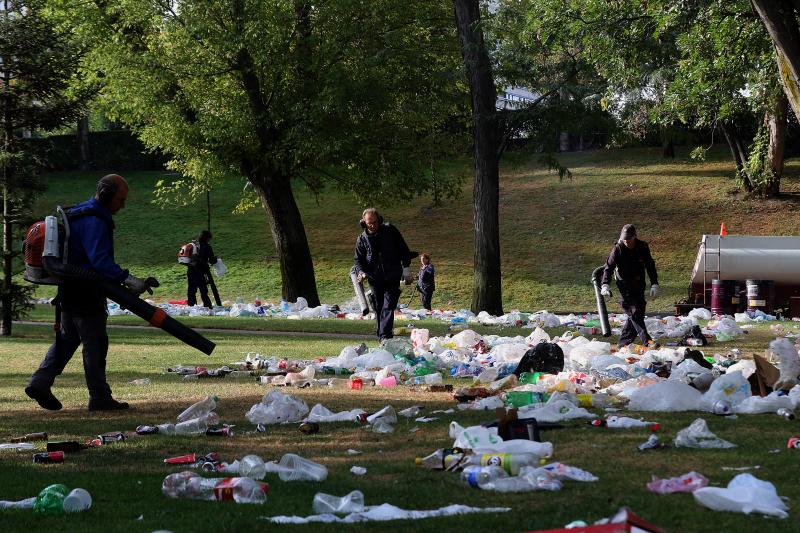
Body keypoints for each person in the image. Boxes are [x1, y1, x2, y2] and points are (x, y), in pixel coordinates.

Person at [25, 174, 153, 411]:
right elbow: (100, 262)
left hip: (69, 288)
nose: (122, 205)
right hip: (86, 291)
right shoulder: (96, 220)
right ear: (106, 195)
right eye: (120, 200)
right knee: (95, 343)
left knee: (67, 339)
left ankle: (40, 381)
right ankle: (99, 397)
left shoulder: (79, 212)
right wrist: (129, 279)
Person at [353, 208, 413, 341]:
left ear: (379, 220)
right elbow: (358, 260)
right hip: (375, 278)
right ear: (364, 223)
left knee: (389, 305)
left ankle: (385, 336)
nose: (373, 225)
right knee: (379, 307)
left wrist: (406, 268)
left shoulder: (390, 230)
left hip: (393, 275)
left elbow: (403, 248)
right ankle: (383, 336)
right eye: (370, 223)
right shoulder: (361, 239)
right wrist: (361, 272)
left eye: (375, 222)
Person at [600, 224, 660, 349]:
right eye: (624, 239)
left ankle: (623, 343)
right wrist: (605, 284)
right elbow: (608, 267)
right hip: (624, 285)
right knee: (634, 311)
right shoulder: (618, 248)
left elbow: (650, 265)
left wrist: (654, 283)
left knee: (638, 313)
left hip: (639, 284)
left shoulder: (642, 247)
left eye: (629, 239)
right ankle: (647, 341)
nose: (626, 241)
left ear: (634, 237)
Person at [187, 230, 217, 308]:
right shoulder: (207, 247)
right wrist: (216, 259)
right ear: (207, 238)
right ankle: (207, 306)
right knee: (203, 290)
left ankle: (192, 306)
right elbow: (212, 260)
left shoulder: (193, 245)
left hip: (190, 270)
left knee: (191, 290)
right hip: (200, 271)